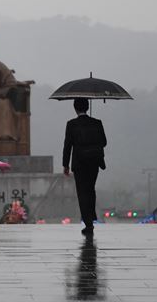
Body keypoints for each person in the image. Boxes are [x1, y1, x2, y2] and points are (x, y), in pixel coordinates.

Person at [62, 98, 107, 237]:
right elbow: (104, 142)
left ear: (75, 108)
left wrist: (65, 164)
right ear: (87, 107)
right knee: (90, 189)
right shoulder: (97, 123)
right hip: (94, 162)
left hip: (79, 163)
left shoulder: (72, 124)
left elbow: (67, 145)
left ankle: (88, 223)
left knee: (82, 192)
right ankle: (91, 217)